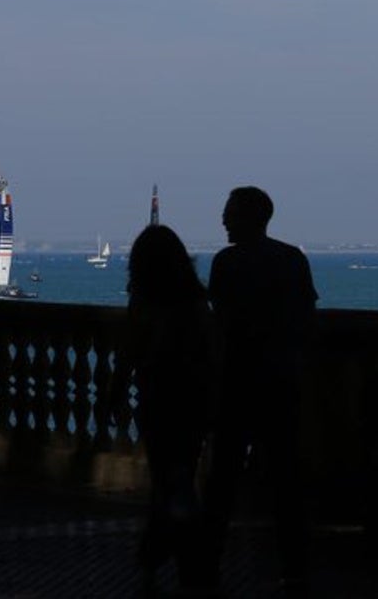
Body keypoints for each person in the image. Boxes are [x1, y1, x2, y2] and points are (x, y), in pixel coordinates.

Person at [201, 187, 318, 594]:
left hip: (237, 385)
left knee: (221, 484)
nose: (223, 220)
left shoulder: (227, 264)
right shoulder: (291, 260)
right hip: (281, 384)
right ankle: (296, 567)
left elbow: (221, 327)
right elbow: (306, 319)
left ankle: (208, 566)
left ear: (248, 218)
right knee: (287, 483)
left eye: (229, 213)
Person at [111, 224, 215, 592]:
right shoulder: (195, 302)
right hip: (193, 405)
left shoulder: (144, 302)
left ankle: (164, 556)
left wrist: (115, 394)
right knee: (180, 479)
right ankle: (179, 559)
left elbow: (129, 352)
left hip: (157, 404)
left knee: (168, 482)